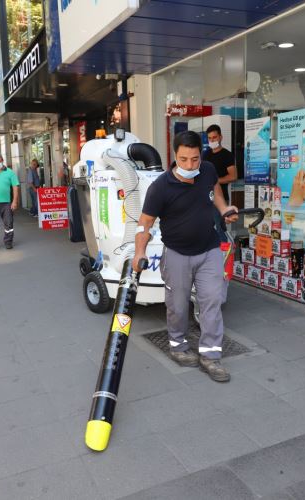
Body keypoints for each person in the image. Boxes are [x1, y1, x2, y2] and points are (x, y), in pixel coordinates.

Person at [133, 131, 238, 383]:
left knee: (212, 300)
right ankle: (177, 346)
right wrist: (139, 252)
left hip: (209, 250)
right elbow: (144, 223)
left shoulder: (209, 169)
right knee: (177, 306)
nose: (190, 165)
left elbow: (216, 191)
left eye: (194, 159)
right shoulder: (161, 187)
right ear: (174, 156)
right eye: (183, 160)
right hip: (177, 254)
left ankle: (211, 356)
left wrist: (224, 209)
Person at [202, 124, 237, 242]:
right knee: (206, 228)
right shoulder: (205, 154)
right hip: (206, 198)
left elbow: (233, 176)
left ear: (220, 137)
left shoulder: (227, 155)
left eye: (214, 137)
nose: (212, 140)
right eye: (209, 138)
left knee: (220, 228)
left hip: (221, 198)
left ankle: (224, 255)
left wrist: (215, 181)